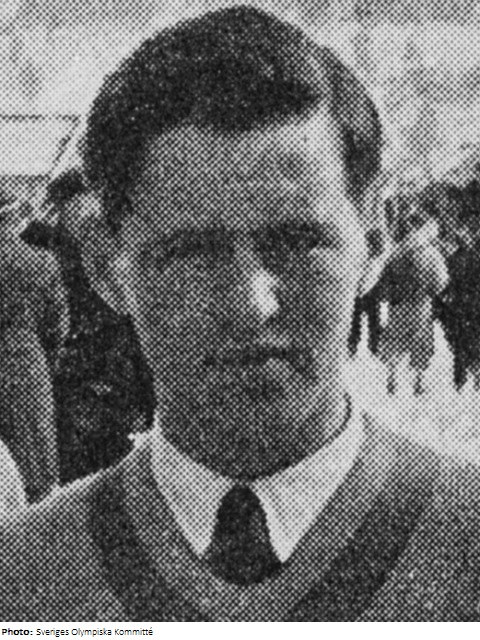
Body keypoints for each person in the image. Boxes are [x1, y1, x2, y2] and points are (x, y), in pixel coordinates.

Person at [1, 6, 480, 622]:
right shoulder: (22, 578)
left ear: (373, 241)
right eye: (191, 254)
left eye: (299, 243)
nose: (251, 304)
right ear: (105, 267)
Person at [21, 169, 155, 483]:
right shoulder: (46, 245)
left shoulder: (110, 239)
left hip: (108, 353)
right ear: (60, 208)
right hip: (76, 362)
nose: (84, 218)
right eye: (75, 210)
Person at [0, 212, 68, 503]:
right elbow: (57, 325)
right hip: (25, 360)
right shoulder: (40, 260)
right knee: (35, 461)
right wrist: (46, 361)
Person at [376, 218, 449, 395]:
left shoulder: (396, 253)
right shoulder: (432, 255)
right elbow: (441, 282)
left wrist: (387, 300)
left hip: (398, 306)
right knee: (420, 343)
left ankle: (392, 377)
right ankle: (418, 382)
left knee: (395, 341)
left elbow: (385, 281)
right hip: (421, 306)